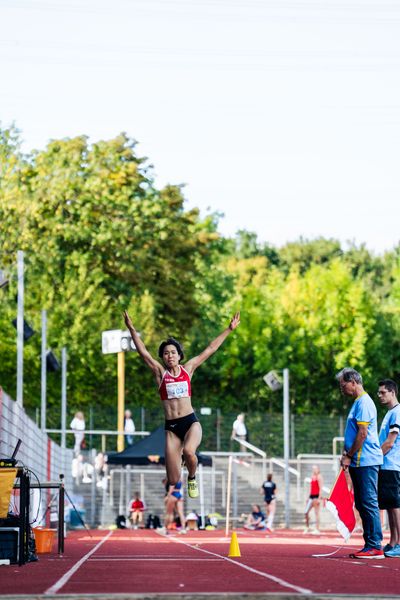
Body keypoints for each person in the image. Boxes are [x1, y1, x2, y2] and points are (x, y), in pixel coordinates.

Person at [123, 310, 240, 498]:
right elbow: (143, 352)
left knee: (189, 451)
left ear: (179, 355)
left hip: (190, 422)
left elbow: (210, 349)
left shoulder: (188, 369)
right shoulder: (161, 373)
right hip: (171, 428)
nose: (170, 356)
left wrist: (229, 329)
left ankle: (192, 477)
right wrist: (131, 328)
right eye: (166, 353)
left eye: (173, 353)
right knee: (173, 480)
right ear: (163, 357)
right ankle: (182, 467)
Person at [337, 367, 384, 559]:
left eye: (343, 384)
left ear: (353, 382)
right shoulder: (358, 402)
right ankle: (370, 544)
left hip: (366, 460)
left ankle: (375, 545)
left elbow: (362, 434)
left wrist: (349, 454)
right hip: (358, 460)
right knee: (363, 503)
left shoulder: (364, 402)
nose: (342, 389)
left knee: (369, 502)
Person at [377, 378, 400, 557]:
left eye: (383, 392)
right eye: (379, 393)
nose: (379, 395)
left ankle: (399, 543)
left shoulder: (397, 412)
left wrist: (374, 458)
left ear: (393, 392)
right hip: (387, 466)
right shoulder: (389, 413)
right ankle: (393, 541)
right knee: (390, 504)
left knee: (395, 505)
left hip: (392, 465)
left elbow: (390, 443)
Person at [304, 465, 323, 534]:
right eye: (313, 469)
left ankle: (317, 529)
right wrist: (308, 497)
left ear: (318, 469)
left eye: (315, 469)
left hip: (316, 496)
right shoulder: (312, 476)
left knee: (316, 513)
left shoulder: (319, 477)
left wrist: (319, 498)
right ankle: (307, 527)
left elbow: (321, 488)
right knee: (306, 512)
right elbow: (311, 488)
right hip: (311, 497)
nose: (314, 470)